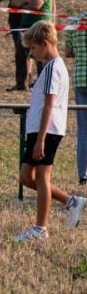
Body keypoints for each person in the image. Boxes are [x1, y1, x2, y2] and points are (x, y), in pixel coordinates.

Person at [13, 21, 87, 242]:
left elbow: (49, 105)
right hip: (38, 130)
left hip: (47, 131)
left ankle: (40, 228)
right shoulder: (50, 67)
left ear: (45, 44)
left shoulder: (54, 68)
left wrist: (41, 140)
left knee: (43, 177)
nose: (32, 54)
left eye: (34, 48)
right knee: (27, 177)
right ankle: (71, 201)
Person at [7, 0, 53, 91]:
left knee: (40, 55)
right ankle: (21, 84)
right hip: (24, 24)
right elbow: (14, 2)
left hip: (39, 25)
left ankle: (40, 84)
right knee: (20, 54)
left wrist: (24, 1)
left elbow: (37, 5)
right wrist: (27, 1)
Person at [65, 15, 87, 186]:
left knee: (83, 130)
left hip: (81, 78)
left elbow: (68, 52)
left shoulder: (73, 22)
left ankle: (83, 174)